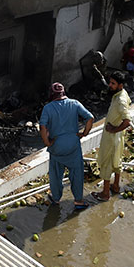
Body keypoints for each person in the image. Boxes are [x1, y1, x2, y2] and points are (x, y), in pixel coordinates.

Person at [39, 82, 93, 210]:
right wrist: (84, 133)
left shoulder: (48, 108)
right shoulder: (74, 103)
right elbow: (90, 118)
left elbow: (42, 127)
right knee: (76, 173)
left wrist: (47, 142)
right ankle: (79, 201)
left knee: (56, 174)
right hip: (73, 146)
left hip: (56, 147)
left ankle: (56, 198)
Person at [92, 72, 133, 202]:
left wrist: (114, 129)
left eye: (113, 83)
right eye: (110, 82)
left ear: (120, 85)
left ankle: (105, 193)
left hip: (112, 137)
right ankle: (115, 186)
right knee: (116, 161)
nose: (110, 85)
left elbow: (127, 121)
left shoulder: (120, 99)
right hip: (118, 137)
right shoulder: (121, 94)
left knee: (106, 163)